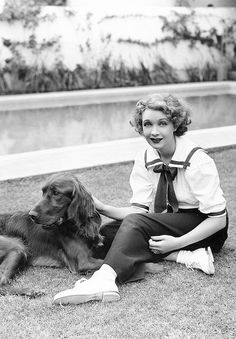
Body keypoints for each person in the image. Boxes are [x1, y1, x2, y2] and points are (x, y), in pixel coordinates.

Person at [53, 93, 228, 305]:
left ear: (175, 124)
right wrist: (102, 207)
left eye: (162, 123)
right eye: (147, 124)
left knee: (134, 225)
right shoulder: (145, 158)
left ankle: (104, 281)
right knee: (108, 234)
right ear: (140, 127)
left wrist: (178, 241)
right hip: (175, 221)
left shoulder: (197, 160)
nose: (154, 132)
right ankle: (184, 256)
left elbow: (218, 219)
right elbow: (138, 210)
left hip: (207, 227)